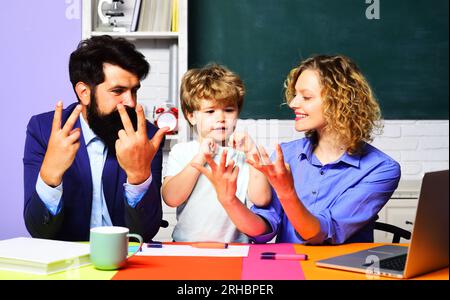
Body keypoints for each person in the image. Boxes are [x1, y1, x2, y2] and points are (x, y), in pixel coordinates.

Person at [193, 55, 401, 244]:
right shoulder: (286, 155)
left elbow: (321, 234)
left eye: (306, 97)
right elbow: (262, 229)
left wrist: (287, 191)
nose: (292, 103)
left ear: (339, 102)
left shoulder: (381, 169)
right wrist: (228, 200)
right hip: (290, 268)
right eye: (295, 95)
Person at [23, 35, 169, 242]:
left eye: (134, 90)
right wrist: (50, 177)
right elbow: (39, 231)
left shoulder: (146, 137)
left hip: (125, 260)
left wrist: (139, 177)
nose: (131, 101)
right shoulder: (43, 131)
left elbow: (145, 233)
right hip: (67, 264)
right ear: (84, 92)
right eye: (118, 91)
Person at [162, 64, 271, 243]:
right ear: (191, 116)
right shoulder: (182, 151)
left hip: (235, 249)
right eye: (210, 111)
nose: (221, 118)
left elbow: (262, 199)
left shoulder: (243, 155)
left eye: (228, 110)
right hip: (186, 246)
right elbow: (171, 198)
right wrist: (200, 158)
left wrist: (252, 153)